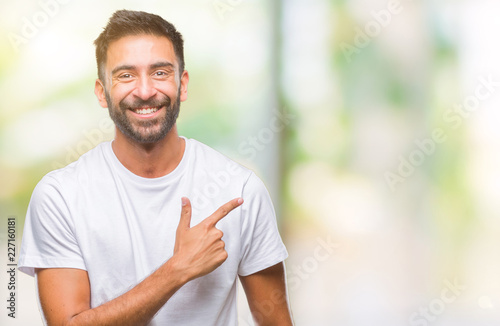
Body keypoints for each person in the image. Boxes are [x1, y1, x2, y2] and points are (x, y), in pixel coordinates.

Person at [18, 9, 293, 326]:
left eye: (160, 73)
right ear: (101, 92)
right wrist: (177, 270)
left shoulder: (240, 191)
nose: (145, 91)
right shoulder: (59, 197)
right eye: (126, 75)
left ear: (183, 84)